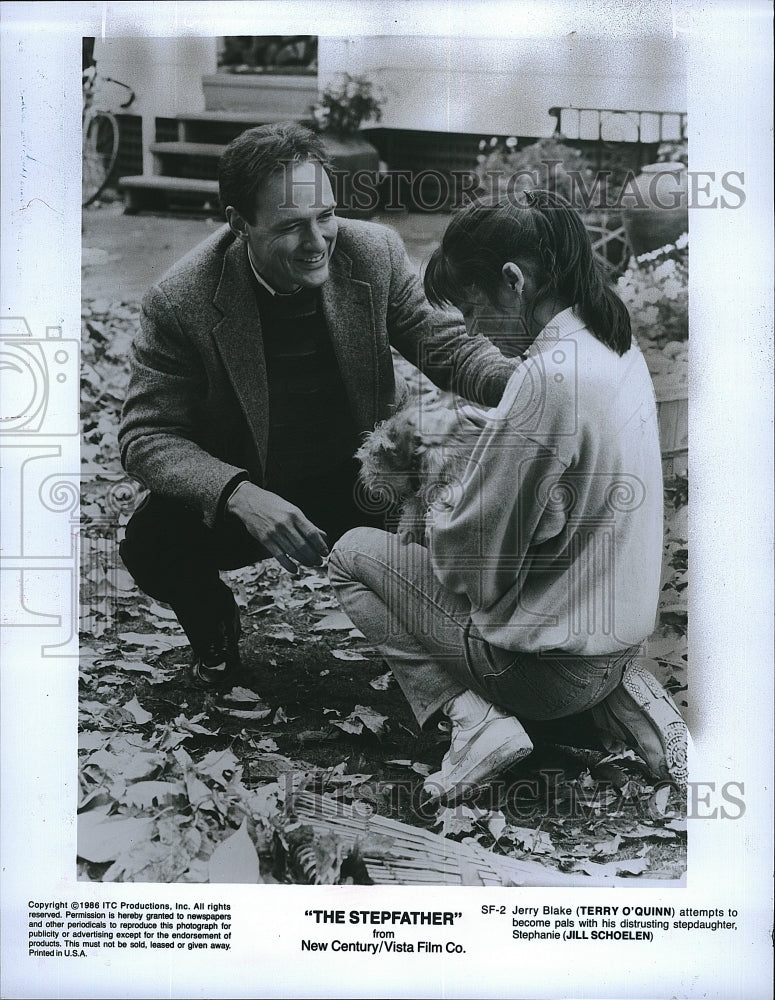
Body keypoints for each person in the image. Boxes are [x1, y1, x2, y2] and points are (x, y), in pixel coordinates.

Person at [118, 122, 518, 686]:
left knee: (478, 500)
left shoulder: (372, 252)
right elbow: (146, 437)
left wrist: (530, 388)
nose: (317, 241)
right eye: (290, 226)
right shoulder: (180, 299)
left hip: (362, 479)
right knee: (151, 544)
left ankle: (473, 650)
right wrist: (238, 494)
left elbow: (447, 347)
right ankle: (214, 624)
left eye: (325, 215)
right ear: (240, 224)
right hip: (251, 488)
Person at [328, 191, 689, 805]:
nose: (470, 329)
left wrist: (446, 494)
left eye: (471, 308)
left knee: (353, 553)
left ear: (514, 281)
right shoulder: (611, 341)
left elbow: (472, 570)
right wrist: (498, 449)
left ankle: (475, 722)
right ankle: (636, 708)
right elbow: (564, 505)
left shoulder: (543, 378)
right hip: (622, 641)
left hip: (547, 672)